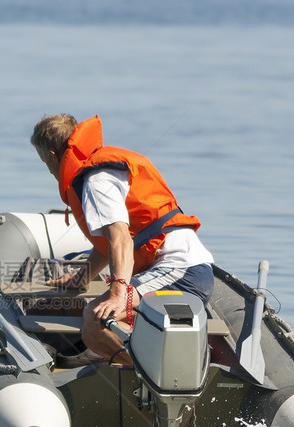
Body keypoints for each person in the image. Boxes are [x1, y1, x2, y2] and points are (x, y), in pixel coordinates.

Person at [30, 114, 214, 365]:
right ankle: (145, 367)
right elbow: (109, 245)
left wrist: (119, 293)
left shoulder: (96, 181)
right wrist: (82, 277)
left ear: (52, 156)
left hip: (181, 270)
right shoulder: (104, 170)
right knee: (101, 313)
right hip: (178, 268)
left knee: (95, 321)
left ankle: (156, 374)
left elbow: (121, 240)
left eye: (44, 162)